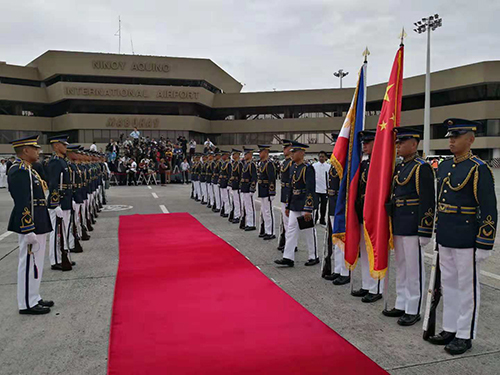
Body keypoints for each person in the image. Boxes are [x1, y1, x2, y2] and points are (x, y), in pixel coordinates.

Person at [427, 118, 497, 355]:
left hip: (467, 236)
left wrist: (485, 242)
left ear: (471, 138)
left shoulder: (479, 168)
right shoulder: (445, 167)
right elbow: (440, 203)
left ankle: (464, 334)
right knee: (448, 284)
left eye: (457, 136)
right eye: (450, 136)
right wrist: (437, 232)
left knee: (467, 287)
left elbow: (488, 208)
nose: (452, 141)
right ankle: (450, 327)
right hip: (447, 233)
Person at [382, 128, 435, 326]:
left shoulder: (422, 168)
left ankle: (413, 308)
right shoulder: (401, 167)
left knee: (414, 268)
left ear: (414, 144)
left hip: (413, 223)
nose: (398, 146)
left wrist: (425, 229)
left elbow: (427, 201)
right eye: (397, 143)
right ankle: (402, 302)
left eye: (402, 142)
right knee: (402, 265)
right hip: (399, 221)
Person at [7, 135, 54, 314]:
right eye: (35, 148)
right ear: (25, 150)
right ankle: (26, 303)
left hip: (39, 222)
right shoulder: (18, 170)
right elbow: (22, 202)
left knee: (36, 262)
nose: (38, 151)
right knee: (28, 263)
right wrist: (27, 229)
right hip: (30, 224)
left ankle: (34, 296)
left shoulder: (30, 170)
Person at [352, 130, 384, 303]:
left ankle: (376, 287)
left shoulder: (381, 164)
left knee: (375, 251)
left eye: (368, 142)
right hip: (362, 212)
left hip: (375, 214)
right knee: (364, 251)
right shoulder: (364, 165)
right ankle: (366, 284)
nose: (364, 145)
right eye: (363, 142)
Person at [274, 141, 318, 267]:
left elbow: (310, 189)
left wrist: (308, 208)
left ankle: (313, 256)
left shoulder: (307, 168)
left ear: (302, 153)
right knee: (291, 229)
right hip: (294, 203)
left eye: (294, 152)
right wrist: (288, 205)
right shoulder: (294, 167)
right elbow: (291, 188)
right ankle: (288, 257)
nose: (292, 154)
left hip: (304, 203)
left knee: (308, 231)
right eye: (291, 152)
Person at [323, 134, 350, 285]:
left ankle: (345, 272)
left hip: (343, 207)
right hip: (334, 206)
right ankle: (338, 269)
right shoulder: (334, 164)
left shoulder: (347, 164)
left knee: (343, 240)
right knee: (336, 240)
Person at [47, 134, 75, 271]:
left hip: (66, 199)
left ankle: (62, 254)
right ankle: (54, 259)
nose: (65, 147)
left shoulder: (63, 161)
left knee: (63, 230)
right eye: (63, 145)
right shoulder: (55, 162)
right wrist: (55, 203)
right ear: (56, 145)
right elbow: (53, 184)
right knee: (55, 232)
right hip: (59, 201)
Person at [257, 145, 276, 240]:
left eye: (261, 152)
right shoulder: (262, 164)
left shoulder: (269, 164)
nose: (260, 154)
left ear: (265, 152)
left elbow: (272, 179)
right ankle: (266, 230)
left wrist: (272, 192)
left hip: (267, 190)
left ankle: (271, 232)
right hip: (262, 190)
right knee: (264, 211)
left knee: (268, 212)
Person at [277, 140, 293, 251]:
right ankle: (287, 242)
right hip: (284, 192)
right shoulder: (285, 162)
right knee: (285, 220)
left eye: (286, 148)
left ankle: (290, 244)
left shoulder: (292, 163)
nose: (284, 150)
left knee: (289, 222)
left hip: (289, 192)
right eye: (284, 148)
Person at [240, 148, 258, 231]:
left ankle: (252, 224)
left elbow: (254, 177)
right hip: (244, 187)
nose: (245, 155)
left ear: (250, 154)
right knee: (247, 207)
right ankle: (248, 222)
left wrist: (252, 188)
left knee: (250, 207)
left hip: (248, 187)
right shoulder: (246, 164)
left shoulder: (252, 164)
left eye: (246, 154)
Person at [312, 151, 331, 225]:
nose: (321, 158)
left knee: (324, 206)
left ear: (325, 157)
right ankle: (315, 218)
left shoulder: (328, 166)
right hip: (316, 189)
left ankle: (322, 219)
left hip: (325, 189)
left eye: (323, 156)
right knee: (315, 205)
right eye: (320, 156)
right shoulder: (314, 166)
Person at [228, 149, 242, 224]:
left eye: (234, 154)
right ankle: (236, 215)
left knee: (238, 202)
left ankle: (238, 215)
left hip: (237, 185)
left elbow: (240, 176)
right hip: (234, 185)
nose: (232, 156)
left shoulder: (239, 164)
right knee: (235, 202)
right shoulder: (234, 164)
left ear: (237, 155)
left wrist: (240, 186)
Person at [218, 151, 231, 217]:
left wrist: (229, 183)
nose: (222, 157)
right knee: (224, 198)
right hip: (223, 182)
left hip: (226, 182)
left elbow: (229, 174)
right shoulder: (224, 164)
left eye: (223, 155)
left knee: (227, 198)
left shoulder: (228, 164)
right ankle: (225, 210)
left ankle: (227, 211)